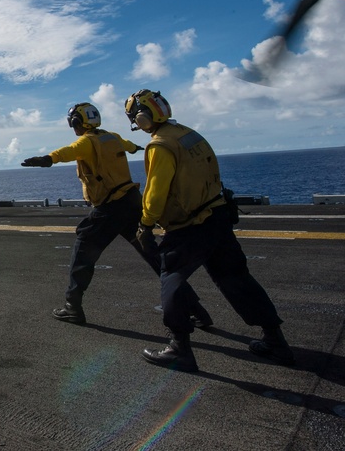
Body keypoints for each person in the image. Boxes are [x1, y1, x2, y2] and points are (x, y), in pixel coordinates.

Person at [124, 89, 294, 372]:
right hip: (217, 217)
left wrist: (145, 224)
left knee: (172, 281)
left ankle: (179, 349)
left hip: (190, 226)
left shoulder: (160, 145)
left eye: (134, 118)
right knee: (237, 279)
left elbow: (154, 195)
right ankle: (276, 341)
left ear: (143, 117)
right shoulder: (189, 133)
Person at [22, 102, 212, 327]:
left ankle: (73, 307)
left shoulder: (87, 141)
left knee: (83, 252)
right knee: (153, 256)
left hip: (110, 208)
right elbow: (129, 146)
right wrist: (135, 148)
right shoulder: (111, 137)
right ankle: (196, 310)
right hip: (131, 203)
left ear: (76, 122)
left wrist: (47, 159)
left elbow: (67, 152)